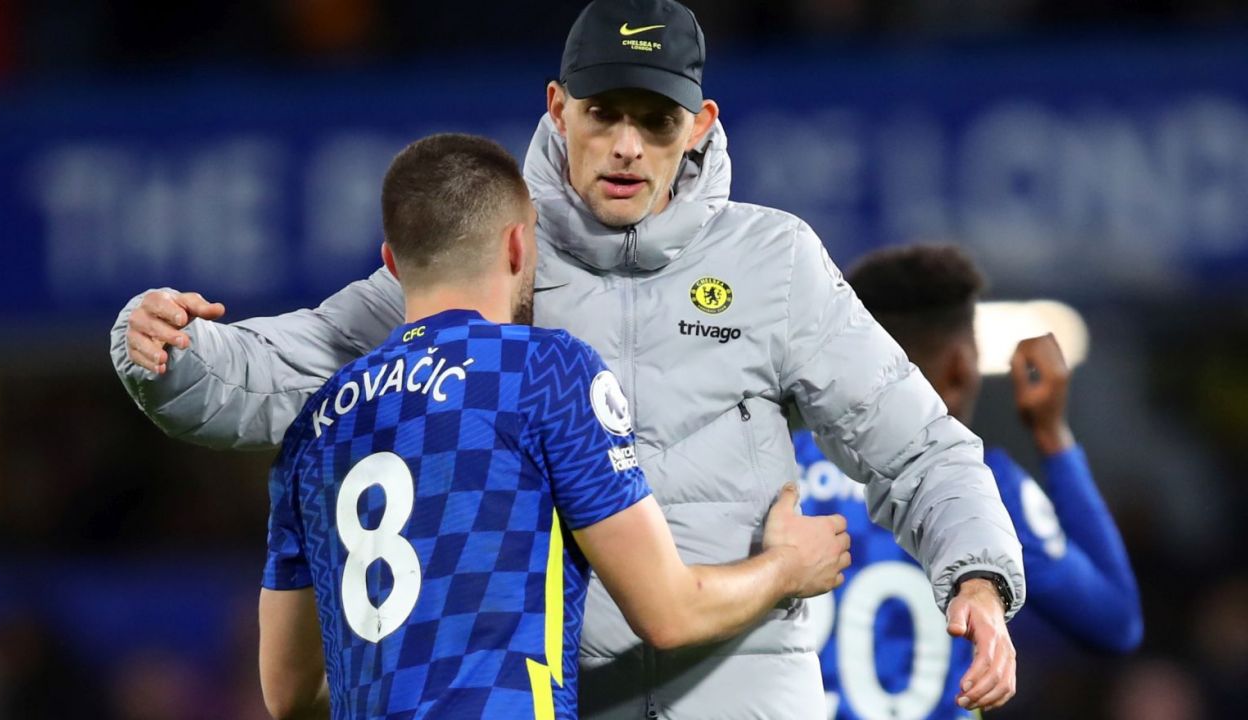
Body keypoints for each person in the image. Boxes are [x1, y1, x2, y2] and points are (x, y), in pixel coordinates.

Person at [110, 1, 1027, 716]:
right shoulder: (487, 253)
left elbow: (917, 446)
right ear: (558, 107)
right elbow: (296, 365)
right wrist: (173, 354)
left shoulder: (774, 261)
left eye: (655, 119)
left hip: (746, 684)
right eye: (604, 113)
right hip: (559, 693)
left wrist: (977, 574)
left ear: (699, 125)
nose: (627, 143)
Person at [258, 133, 852, 720]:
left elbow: (288, 693)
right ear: (519, 246)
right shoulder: (542, 370)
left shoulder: (317, 423)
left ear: (392, 262)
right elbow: (668, 613)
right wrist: (787, 568)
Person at [794, 244, 1143, 720]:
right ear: (961, 369)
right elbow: (1116, 623)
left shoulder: (772, 470)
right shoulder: (987, 494)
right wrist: (1052, 435)